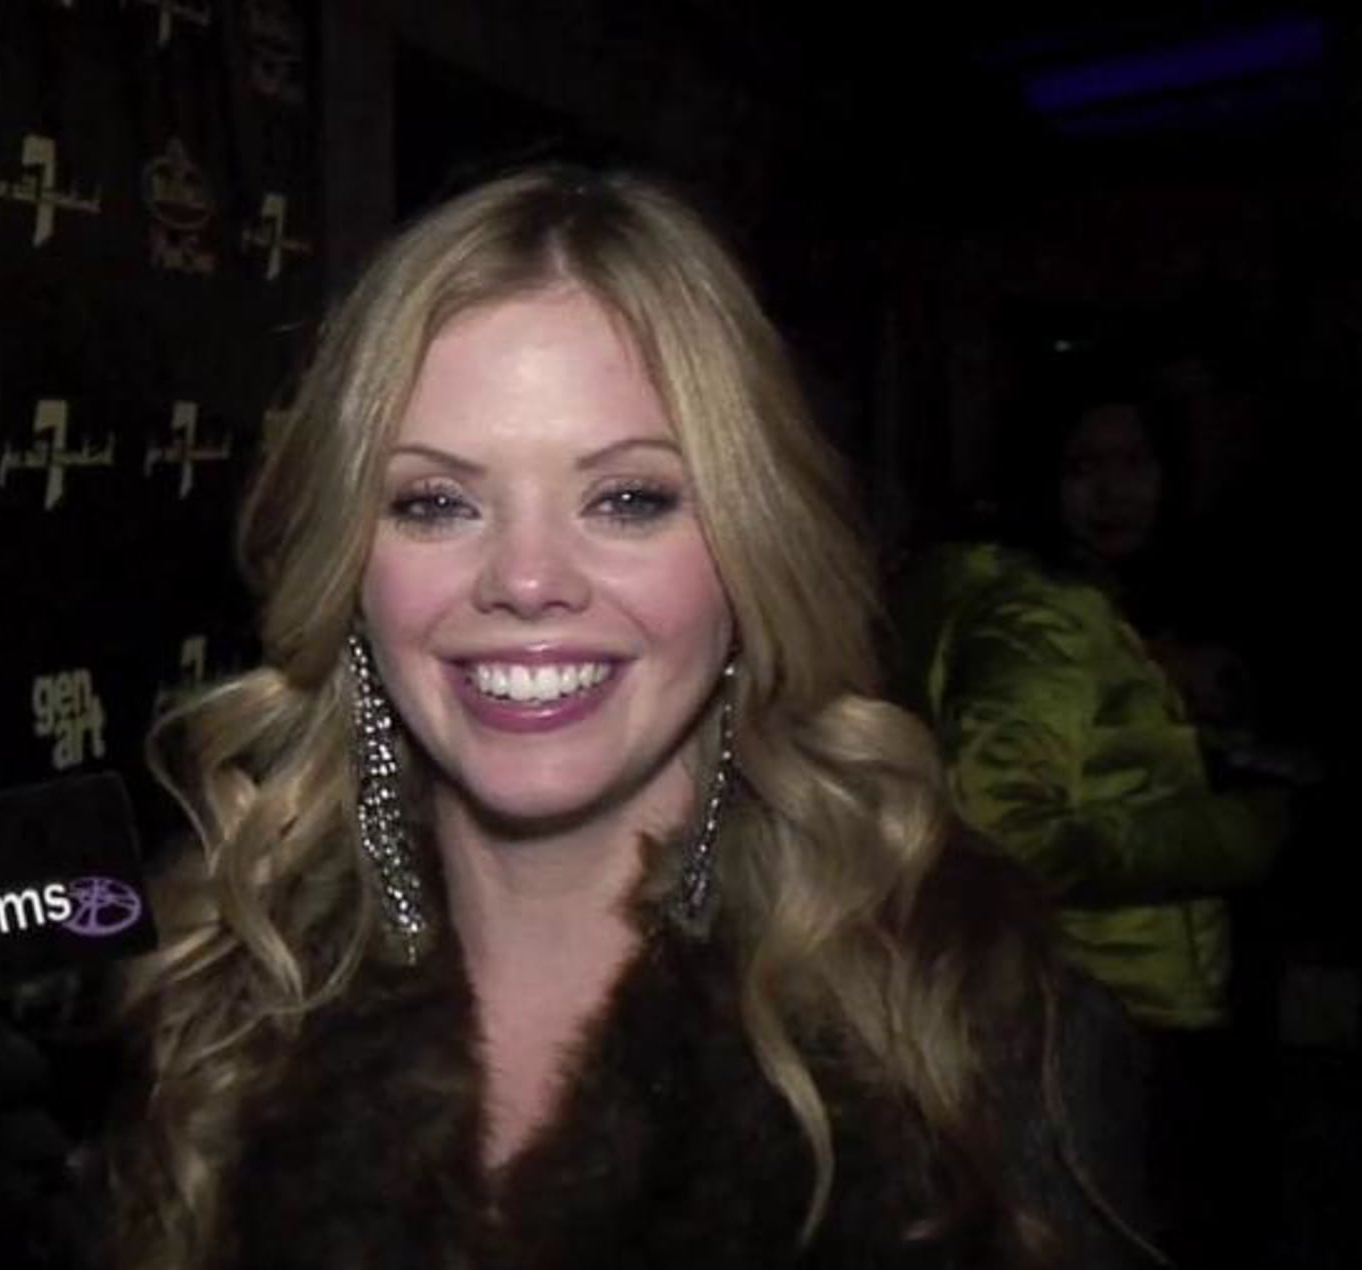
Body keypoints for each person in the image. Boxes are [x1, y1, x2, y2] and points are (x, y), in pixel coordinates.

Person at [110, 166, 1152, 1268]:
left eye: (627, 499)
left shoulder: (976, 1027)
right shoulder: (220, 1011)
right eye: (436, 502)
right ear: (349, 569)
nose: (526, 579)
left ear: (752, 547)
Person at [891, 376, 1294, 1267]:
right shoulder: (1039, 614)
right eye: (1083, 467)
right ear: (1036, 477)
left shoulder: (1082, 598)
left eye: (1135, 463)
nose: (1115, 491)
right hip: (1090, 1001)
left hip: (1093, 1000)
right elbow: (1004, 828)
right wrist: (1243, 833)